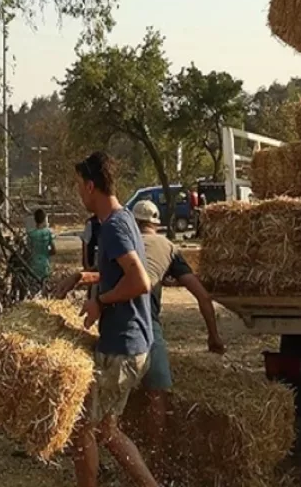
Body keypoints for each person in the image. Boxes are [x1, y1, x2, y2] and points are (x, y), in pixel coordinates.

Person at [70, 152, 158, 487]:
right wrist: (84, 277)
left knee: (83, 426)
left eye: (79, 185)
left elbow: (139, 282)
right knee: (106, 429)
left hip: (124, 347)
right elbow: (116, 274)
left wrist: (100, 304)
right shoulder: (120, 221)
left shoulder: (114, 228)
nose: (79, 193)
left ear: (91, 186)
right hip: (129, 342)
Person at [132, 200, 225, 439]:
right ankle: (155, 458)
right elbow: (203, 297)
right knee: (157, 393)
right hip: (144, 324)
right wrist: (213, 337)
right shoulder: (168, 247)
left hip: (110, 322)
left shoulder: (120, 243)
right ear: (156, 223)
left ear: (134, 222)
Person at [26, 208, 56, 288]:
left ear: (35, 220)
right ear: (44, 219)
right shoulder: (48, 232)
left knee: (34, 286)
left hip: (33, 265)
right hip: (45, 264)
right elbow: (54, 251)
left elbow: (28, 251)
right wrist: (45, 253)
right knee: (45, 286)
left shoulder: (31, 234)